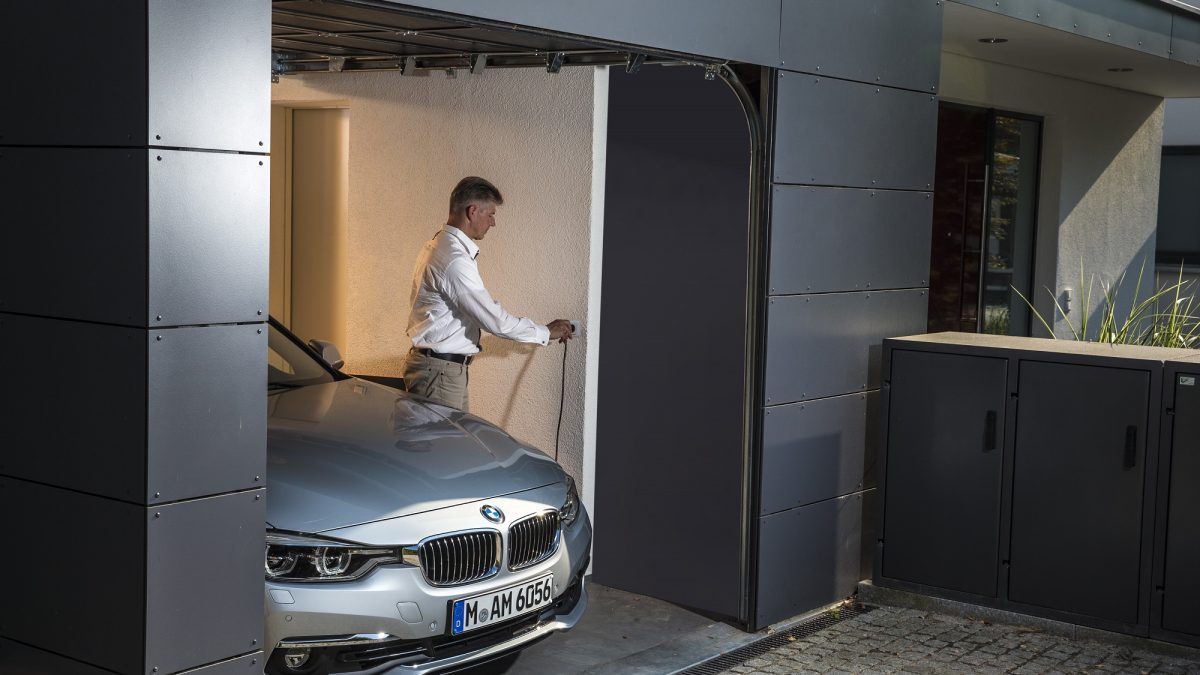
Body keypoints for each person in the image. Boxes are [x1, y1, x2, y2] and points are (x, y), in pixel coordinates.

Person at [402, 176, 574, 411]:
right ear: (472, 211)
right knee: (446, 437)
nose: (493, 223)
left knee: (454, 436)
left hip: (440, 371)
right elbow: (494, 321)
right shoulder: (454, 259)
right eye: (491, 214)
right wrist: (545, 332)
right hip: (440, 374)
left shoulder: (440, 245)